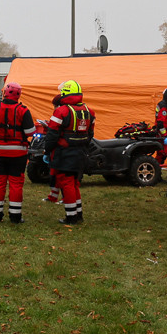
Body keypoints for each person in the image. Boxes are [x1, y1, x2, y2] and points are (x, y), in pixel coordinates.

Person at [0, 82, 36, 224]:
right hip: (18, 153)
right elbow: (30, 132)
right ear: (19, 94)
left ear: (4, 92)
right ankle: (15, 216)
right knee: (16, 184)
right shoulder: (23, 110)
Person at [43, 80, 96, 225]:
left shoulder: (61, 111)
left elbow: (52, 134)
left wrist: (47, 151)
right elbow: (91, 133)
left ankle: (71, 216)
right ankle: (78, 214)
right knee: (74, 184)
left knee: (67, 184)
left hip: (64, 153)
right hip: (81, 153)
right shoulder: (89, 111)